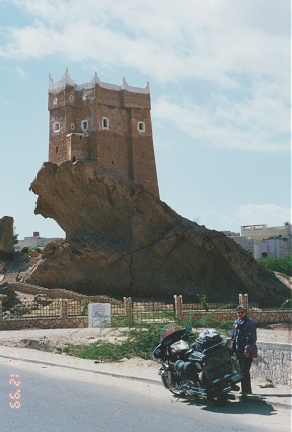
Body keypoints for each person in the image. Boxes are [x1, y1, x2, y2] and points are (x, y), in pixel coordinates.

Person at [231, 305, 258, 397]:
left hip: (247, 352)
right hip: (239, 351)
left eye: (242, 312)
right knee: (242, 371)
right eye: (238, 312)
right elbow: (234, 337)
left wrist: (247, 350)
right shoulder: (237, 322)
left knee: (245, 370)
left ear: (245, 313)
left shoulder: (249, 323)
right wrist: (232, 347)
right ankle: (245, 390)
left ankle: (247, 391)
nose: (240, 314)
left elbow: (251, 338)